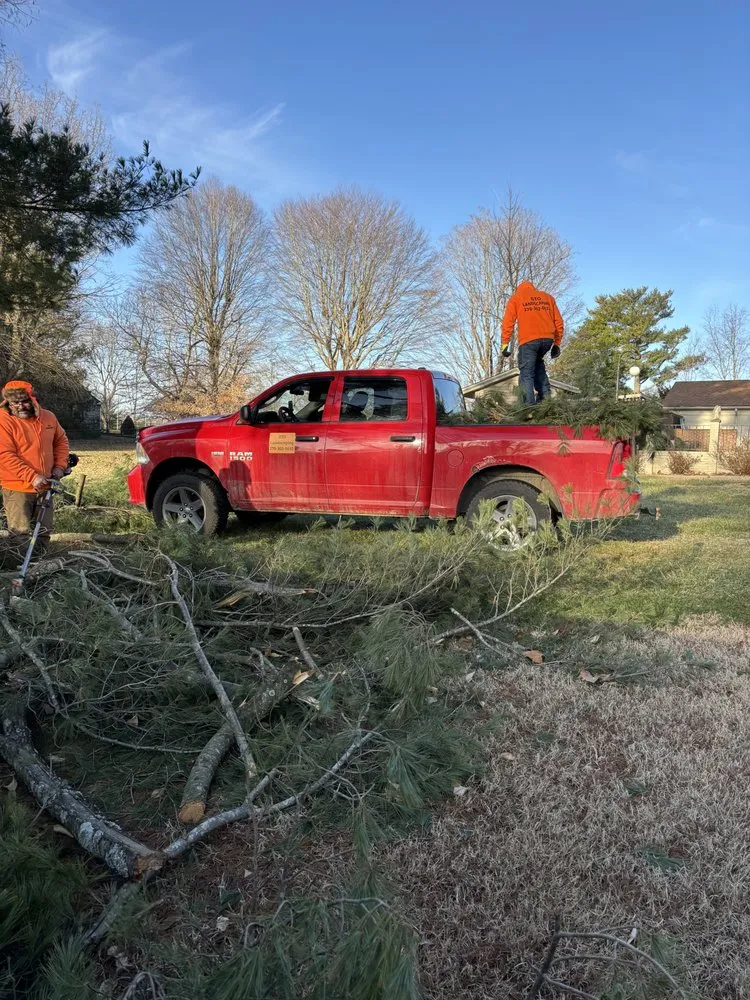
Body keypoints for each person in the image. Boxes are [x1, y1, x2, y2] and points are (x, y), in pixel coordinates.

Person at [0, 381, 69, 557]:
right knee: (19, 532)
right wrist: (31, 476)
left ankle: (40, 566)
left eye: (25, 401)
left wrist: (60, 466)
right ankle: (17, 567)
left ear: (33, 399)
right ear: (8, 402)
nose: (20, 406)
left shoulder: (48, 417)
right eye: (15, 403)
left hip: (46, 485)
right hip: (17, 487)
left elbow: (61, 441)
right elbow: (4, 454)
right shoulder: (3, 420)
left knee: (44, 531)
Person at [501, 280, 564, 405]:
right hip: (547, 340)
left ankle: (527, 408)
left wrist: (504, 343)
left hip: (528, 341)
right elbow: (559, 322)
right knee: (538, 367)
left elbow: (508, 322)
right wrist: (557, 343)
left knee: (526, 373)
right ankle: (545, 403)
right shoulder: (548, 298)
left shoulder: (516, 298)